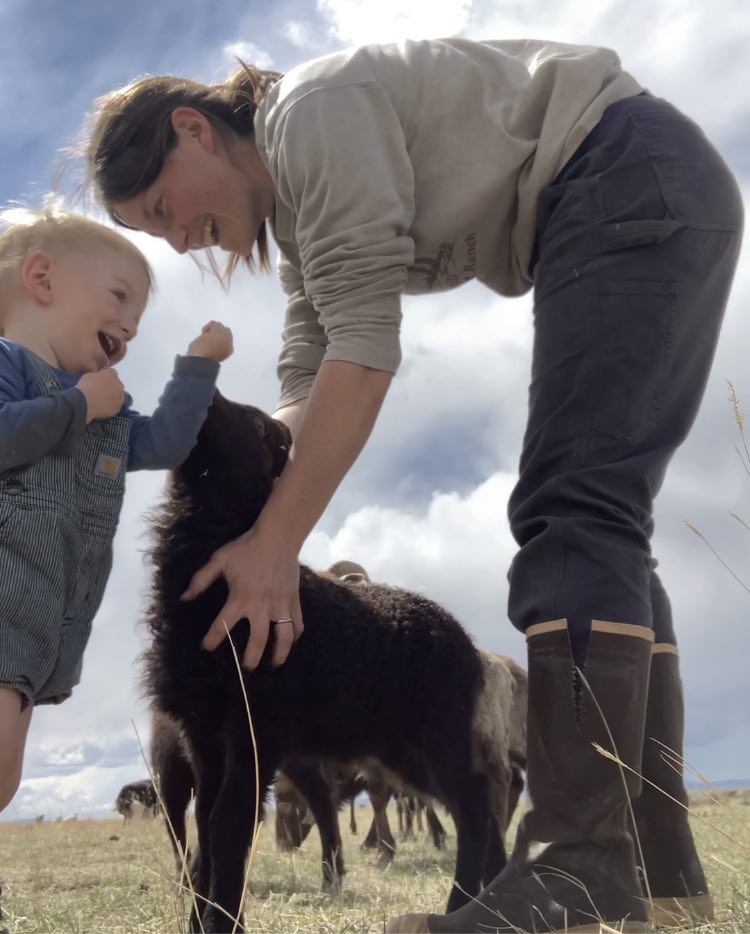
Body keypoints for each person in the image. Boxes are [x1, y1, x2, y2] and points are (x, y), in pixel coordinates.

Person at [82, 37, 743, 932]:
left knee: (572, 512)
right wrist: (252, 488)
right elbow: (306, 377)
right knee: (603, 517)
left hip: (622, 175)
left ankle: (580, 872)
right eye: (154, 233)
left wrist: (277, 545)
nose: (178, 240)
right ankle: (660, 881)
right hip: (637, 189)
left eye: (164, 208)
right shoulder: (301, 222)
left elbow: (363, 345)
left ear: (193, 129)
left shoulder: (308, 117)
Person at [0, 206, 233, 817]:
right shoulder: (9, 364)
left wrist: (199, 368)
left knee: (4, 777)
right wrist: (76, 406)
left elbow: (163, 444)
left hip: (40, 636)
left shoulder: (107, 409)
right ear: (42, 279)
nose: (129, 329)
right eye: (119, 298)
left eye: (137, 323)